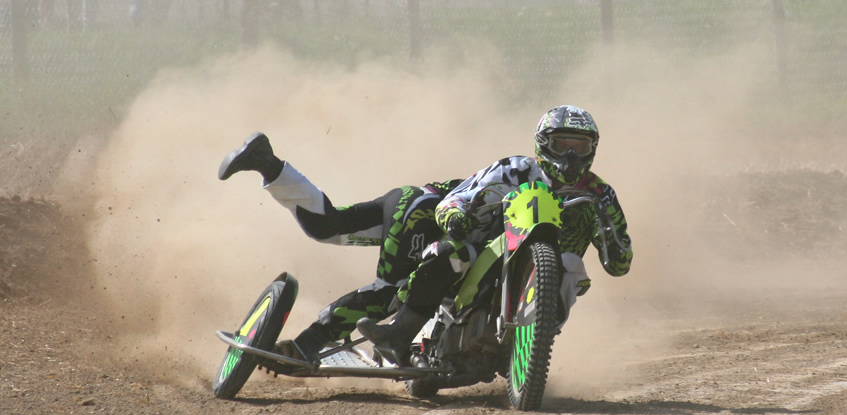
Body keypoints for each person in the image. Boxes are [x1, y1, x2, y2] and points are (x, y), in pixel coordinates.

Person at [357, 105, 633, 365]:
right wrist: (455, 217)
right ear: (544, 144)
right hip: (490, 252)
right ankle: (400, 333)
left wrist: (610, 238)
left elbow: (620, 266)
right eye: (562, 145)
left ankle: (537, 337)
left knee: (573, 262)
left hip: (551, 276)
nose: (570, 157)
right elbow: (454, 200)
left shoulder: (601, 194)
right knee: (451, 251)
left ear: (592, 149)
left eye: (579, 147)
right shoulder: (513, 170)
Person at [218, 132, 462, 363]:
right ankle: (308, 343)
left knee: (327, 226)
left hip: (414, 200)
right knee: (391, 291)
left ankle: (265, 162)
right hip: (424, 214)